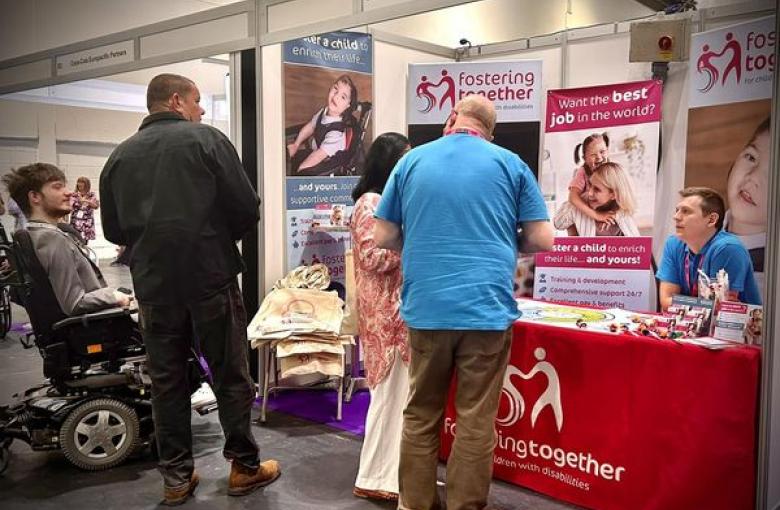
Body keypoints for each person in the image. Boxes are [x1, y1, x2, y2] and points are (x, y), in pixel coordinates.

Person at [99, 73, 279, 506]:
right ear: (177, 100)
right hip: (209, 276)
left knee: (166, 381)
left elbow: (113, 228)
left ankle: (176, 478)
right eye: (197, 101)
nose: (201, 109)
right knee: (229, 373)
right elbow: (245, 208)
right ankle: (243, 468)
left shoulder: (118, 158)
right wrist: (213, 239)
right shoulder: (208, 141)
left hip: (154, 284)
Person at [374, 94, 554, 510]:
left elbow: (383, 236)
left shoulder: (412, 161)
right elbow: (543, 238)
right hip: (486, 312)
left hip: (426, 308)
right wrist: (509, 242)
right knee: (475, 419)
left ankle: (416, 504)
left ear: (452, 119)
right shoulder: (510, 163)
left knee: (420, 414)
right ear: (490, 130)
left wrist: (418, 241)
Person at [349, 132, 411, 502]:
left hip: (396, 313)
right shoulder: (370, 203)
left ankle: (392, 474)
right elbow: (374, 257)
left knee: (400, 398)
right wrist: (413, 240)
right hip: (384, 316)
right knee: (388, 396)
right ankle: (376, 476)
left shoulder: (388, 202)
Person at [2, 163, 131, 315]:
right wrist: (115, 296)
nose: (69, 192)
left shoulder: (35, 235)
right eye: (57, 187)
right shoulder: (51, 239)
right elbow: (75, 303)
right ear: (35, 197)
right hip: (91, 328)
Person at [656, 187, 761, 311]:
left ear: (711, 220)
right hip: (692, 325)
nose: (676, 217)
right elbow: (666, 301)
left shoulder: (728, 249)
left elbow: (720, 309)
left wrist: (682, 302)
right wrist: (703, 303)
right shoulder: (673, 244)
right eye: (677, 210)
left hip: (737, 328)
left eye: (685, 211)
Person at [724, 116, 769, 294]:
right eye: (751, 157)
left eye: (773, 173)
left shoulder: (765, 278)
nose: (753, 177)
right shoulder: (698, 226)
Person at [286, 74, 358, 174]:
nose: (336, 96)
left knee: (301, 170)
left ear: (347, 106)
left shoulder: (337, 133)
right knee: (288, 156)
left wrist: (301, 171)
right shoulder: (324, 111)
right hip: (316, 151)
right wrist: (296, 144)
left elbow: (318, 156)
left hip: (326, 164)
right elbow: (311, 126)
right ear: (330, 88)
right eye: (335, 89)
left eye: (343, 97)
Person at [553, 161, 639, 236]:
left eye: (597, 189)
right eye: (590, 185)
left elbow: (636, 245)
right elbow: (558, 224)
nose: (590, 193)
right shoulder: (582, 201)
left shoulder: (623, 212)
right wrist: (575, 203)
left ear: (613, 194)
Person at [559, 132, 615, 231]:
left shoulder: (613, 169)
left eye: (602, 151)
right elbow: (573, 197)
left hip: (603, 207)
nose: (599, 157)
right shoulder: (582, 172)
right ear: (585, 159)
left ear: (607, 151)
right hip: (584, 210)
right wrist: (597, 215)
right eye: (593, 154)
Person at [69, 176, 99, 244]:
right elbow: (70, 206)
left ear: (86, 185)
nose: (80, 186)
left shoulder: (91, 195)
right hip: (75, 222)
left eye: (82, 184)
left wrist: (86, 201)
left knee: (85, 242)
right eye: (78, 184)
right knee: (74, 241)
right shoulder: (74, 195)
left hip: (86, 222)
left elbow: (96, 206)